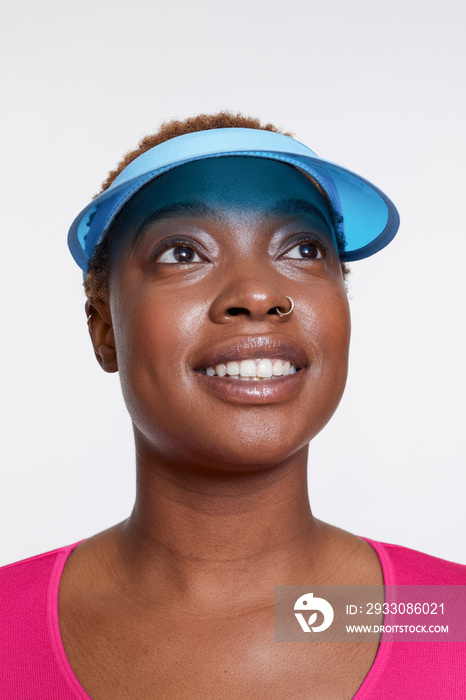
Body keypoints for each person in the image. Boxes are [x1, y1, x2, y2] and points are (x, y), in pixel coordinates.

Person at [0, 112, 464, 699]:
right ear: (104, 331)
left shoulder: (442, 620)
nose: (258, 293)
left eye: (302, 247)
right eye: (182, 253)